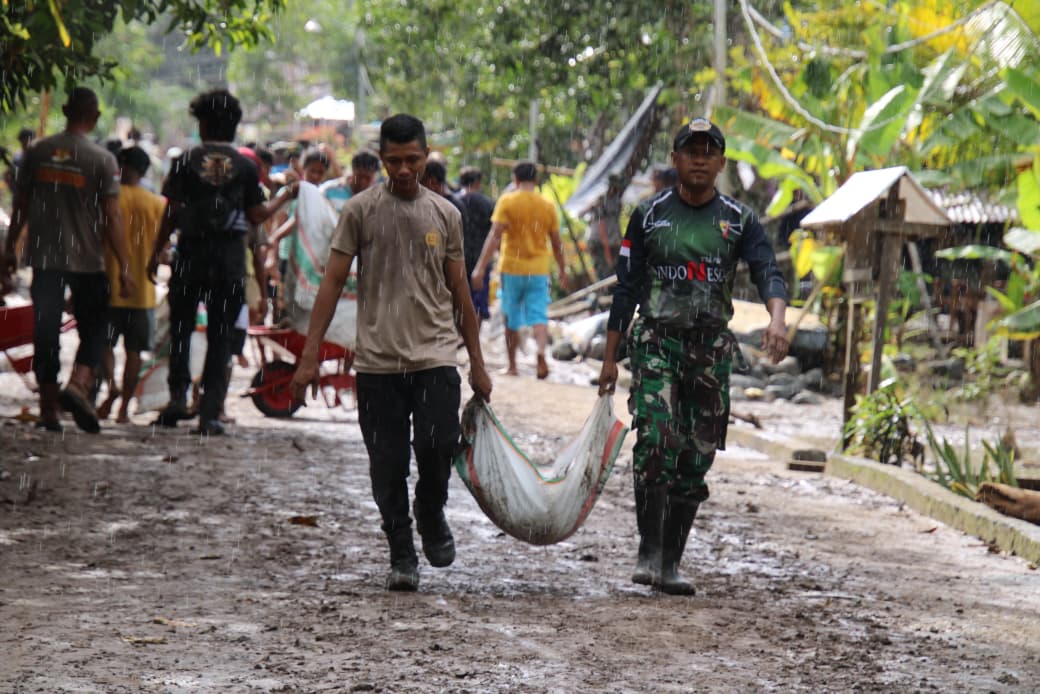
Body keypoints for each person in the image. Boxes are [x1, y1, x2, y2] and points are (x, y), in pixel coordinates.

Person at [290, 113, 492, 592]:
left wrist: (479, 364)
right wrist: (309, 353)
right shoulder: (360, 210)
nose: (404, 170)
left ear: (426, 158)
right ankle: (401, 550)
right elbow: (333, 281)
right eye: (395, 161)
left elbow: (460, 291)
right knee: (387, 460)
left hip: (435, 357)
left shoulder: (446, 214)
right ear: (381, 159)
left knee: (440, 443)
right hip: (377, 361)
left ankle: (430, 509)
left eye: (413, 160)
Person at [597, 118, 789, 595]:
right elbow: (626, 289)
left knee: (698, 452)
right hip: (657, 343)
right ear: (675, 158)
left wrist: (778, 319)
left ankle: (671, 562)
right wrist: (609, 357)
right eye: (691, 150)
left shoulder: (739, 220)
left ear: (721, 162)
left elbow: (767, 270)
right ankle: (648, 551)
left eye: (709, 151)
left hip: (709, 350)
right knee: (657, 440)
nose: (700, 158)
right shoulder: (648, 215)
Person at [147, 89, 298, 435]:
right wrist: (285, 196)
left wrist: (156, 254)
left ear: (201, 124)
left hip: (190, 258)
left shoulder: (185, 160)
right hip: (229, 262)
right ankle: (209, 414)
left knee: (181, 331)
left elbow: (170, 212)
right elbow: (257, 214)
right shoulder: (245, 167)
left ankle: (176, 401)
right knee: (220, 337)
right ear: (234, 125)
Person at [1, 87, 134, 433]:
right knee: (96, 326)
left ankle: (48, 410)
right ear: (96, 118)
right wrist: (125, 265)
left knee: (45, 331)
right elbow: (113, 216)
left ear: (64, 110)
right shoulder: (102, 159)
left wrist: (9, 250)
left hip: (45, 257)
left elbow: (21, 206)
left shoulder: (38, 152)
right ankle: (78, 384)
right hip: (88, 259)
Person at [471, 161, 568, 379]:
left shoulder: (508, 201)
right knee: (539, 314)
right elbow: (556, 241)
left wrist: (480, 267)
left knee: (510, 314)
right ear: (536, 180)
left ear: (515, 179)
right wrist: (562, 269)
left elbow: (495, 235)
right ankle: (541, 354)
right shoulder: (547, 205)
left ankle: (513, 366)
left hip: (512, 267)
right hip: (539, 269)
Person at [97, 146, 166, 423]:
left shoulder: (110, 199)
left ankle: (111, 385)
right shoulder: (156, 203)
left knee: (104, 344)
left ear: (122, 166)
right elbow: (162, 247)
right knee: (134, 351)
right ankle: (124, 408)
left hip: (111, 284)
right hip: (142, 291)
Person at [455, 166, 495, 327]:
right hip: (481, 260)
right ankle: (473, 338)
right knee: (478, 300)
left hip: (456, 259)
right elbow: (494, 233)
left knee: (457, 297)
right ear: (478, 183)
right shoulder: (488, 204)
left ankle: (459, 333)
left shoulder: (453, 202)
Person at [319, 149, 381, 214]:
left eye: (367, 178)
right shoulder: (328, 190)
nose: (363, 181)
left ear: (374, 177)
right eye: (360, 176)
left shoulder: (375, 199)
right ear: (353, 170)